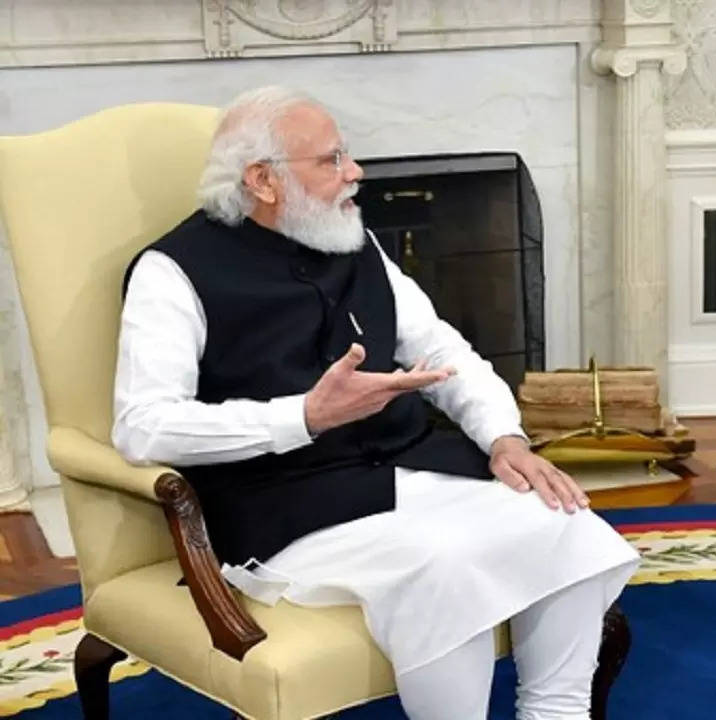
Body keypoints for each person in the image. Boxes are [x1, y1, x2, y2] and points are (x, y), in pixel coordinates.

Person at [112, 85, 639, 720]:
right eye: (331, 160)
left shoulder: (355, 242)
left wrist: (505, 437)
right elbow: (142, 427)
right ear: (262, 180)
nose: (355, 172)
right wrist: (303, 417)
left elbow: (443, 351)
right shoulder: (171, 272)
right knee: (445, 564)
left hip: (403, 468)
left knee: (564, 518)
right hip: (281, 502)